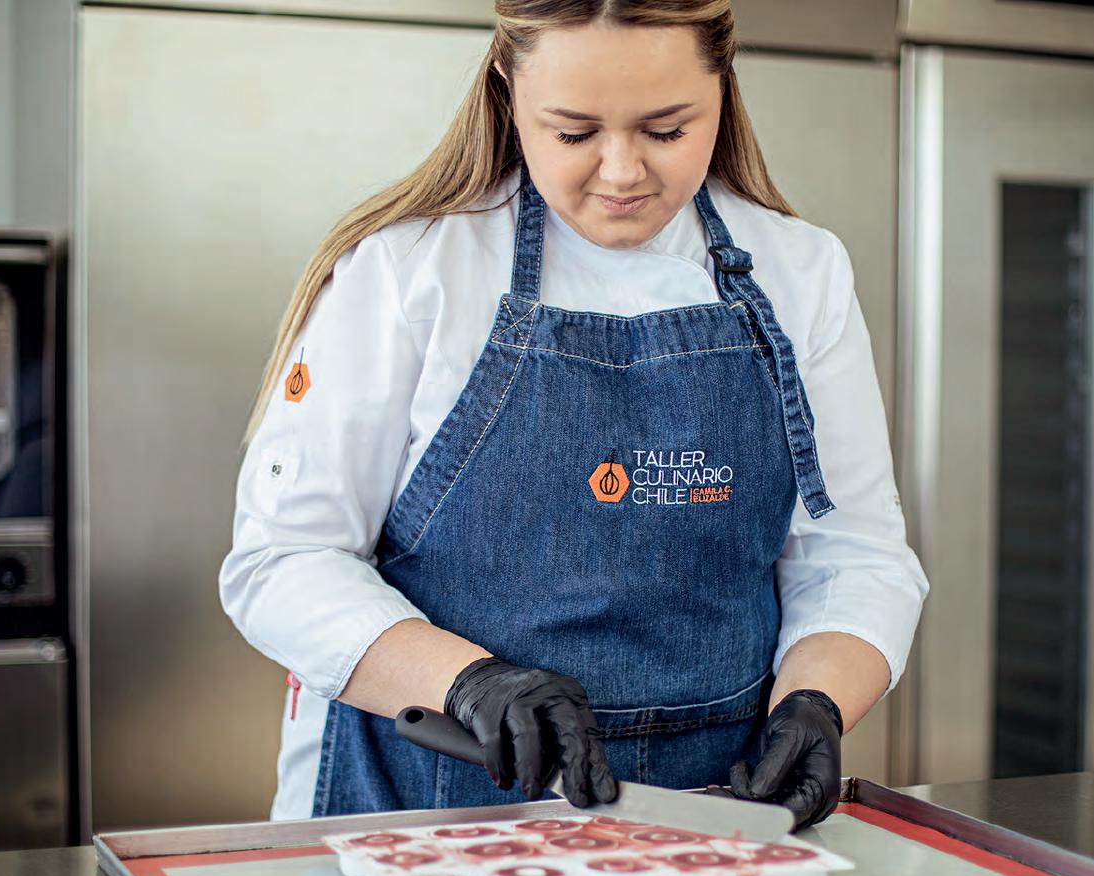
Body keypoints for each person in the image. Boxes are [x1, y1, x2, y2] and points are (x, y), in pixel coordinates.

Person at [219, 0, 928, 833]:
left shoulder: (801, 273)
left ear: (724, 92)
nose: (621, 172)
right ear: (507, 89)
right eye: (573, 132)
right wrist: (472, 684)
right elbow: (285, 561)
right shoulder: (409, 270)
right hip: (432, 813)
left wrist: (820, 700)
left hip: (715, 819)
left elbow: (853, 554)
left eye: (666, 131)